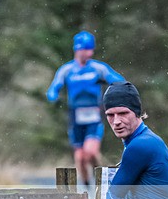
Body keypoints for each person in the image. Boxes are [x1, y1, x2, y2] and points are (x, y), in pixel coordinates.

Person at [46, 31, 124, 187]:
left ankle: (101, 180)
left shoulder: (98, 68)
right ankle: (87, 186)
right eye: (85, 49)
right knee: (80, 157)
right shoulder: (66, 70)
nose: (89, 53)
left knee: (91, 152)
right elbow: (53, 89)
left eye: (90, 49)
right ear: (77, 49)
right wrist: (54, 97)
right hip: (75, 117)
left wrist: (114, 87)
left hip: (94, 116)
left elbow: (120, 81)